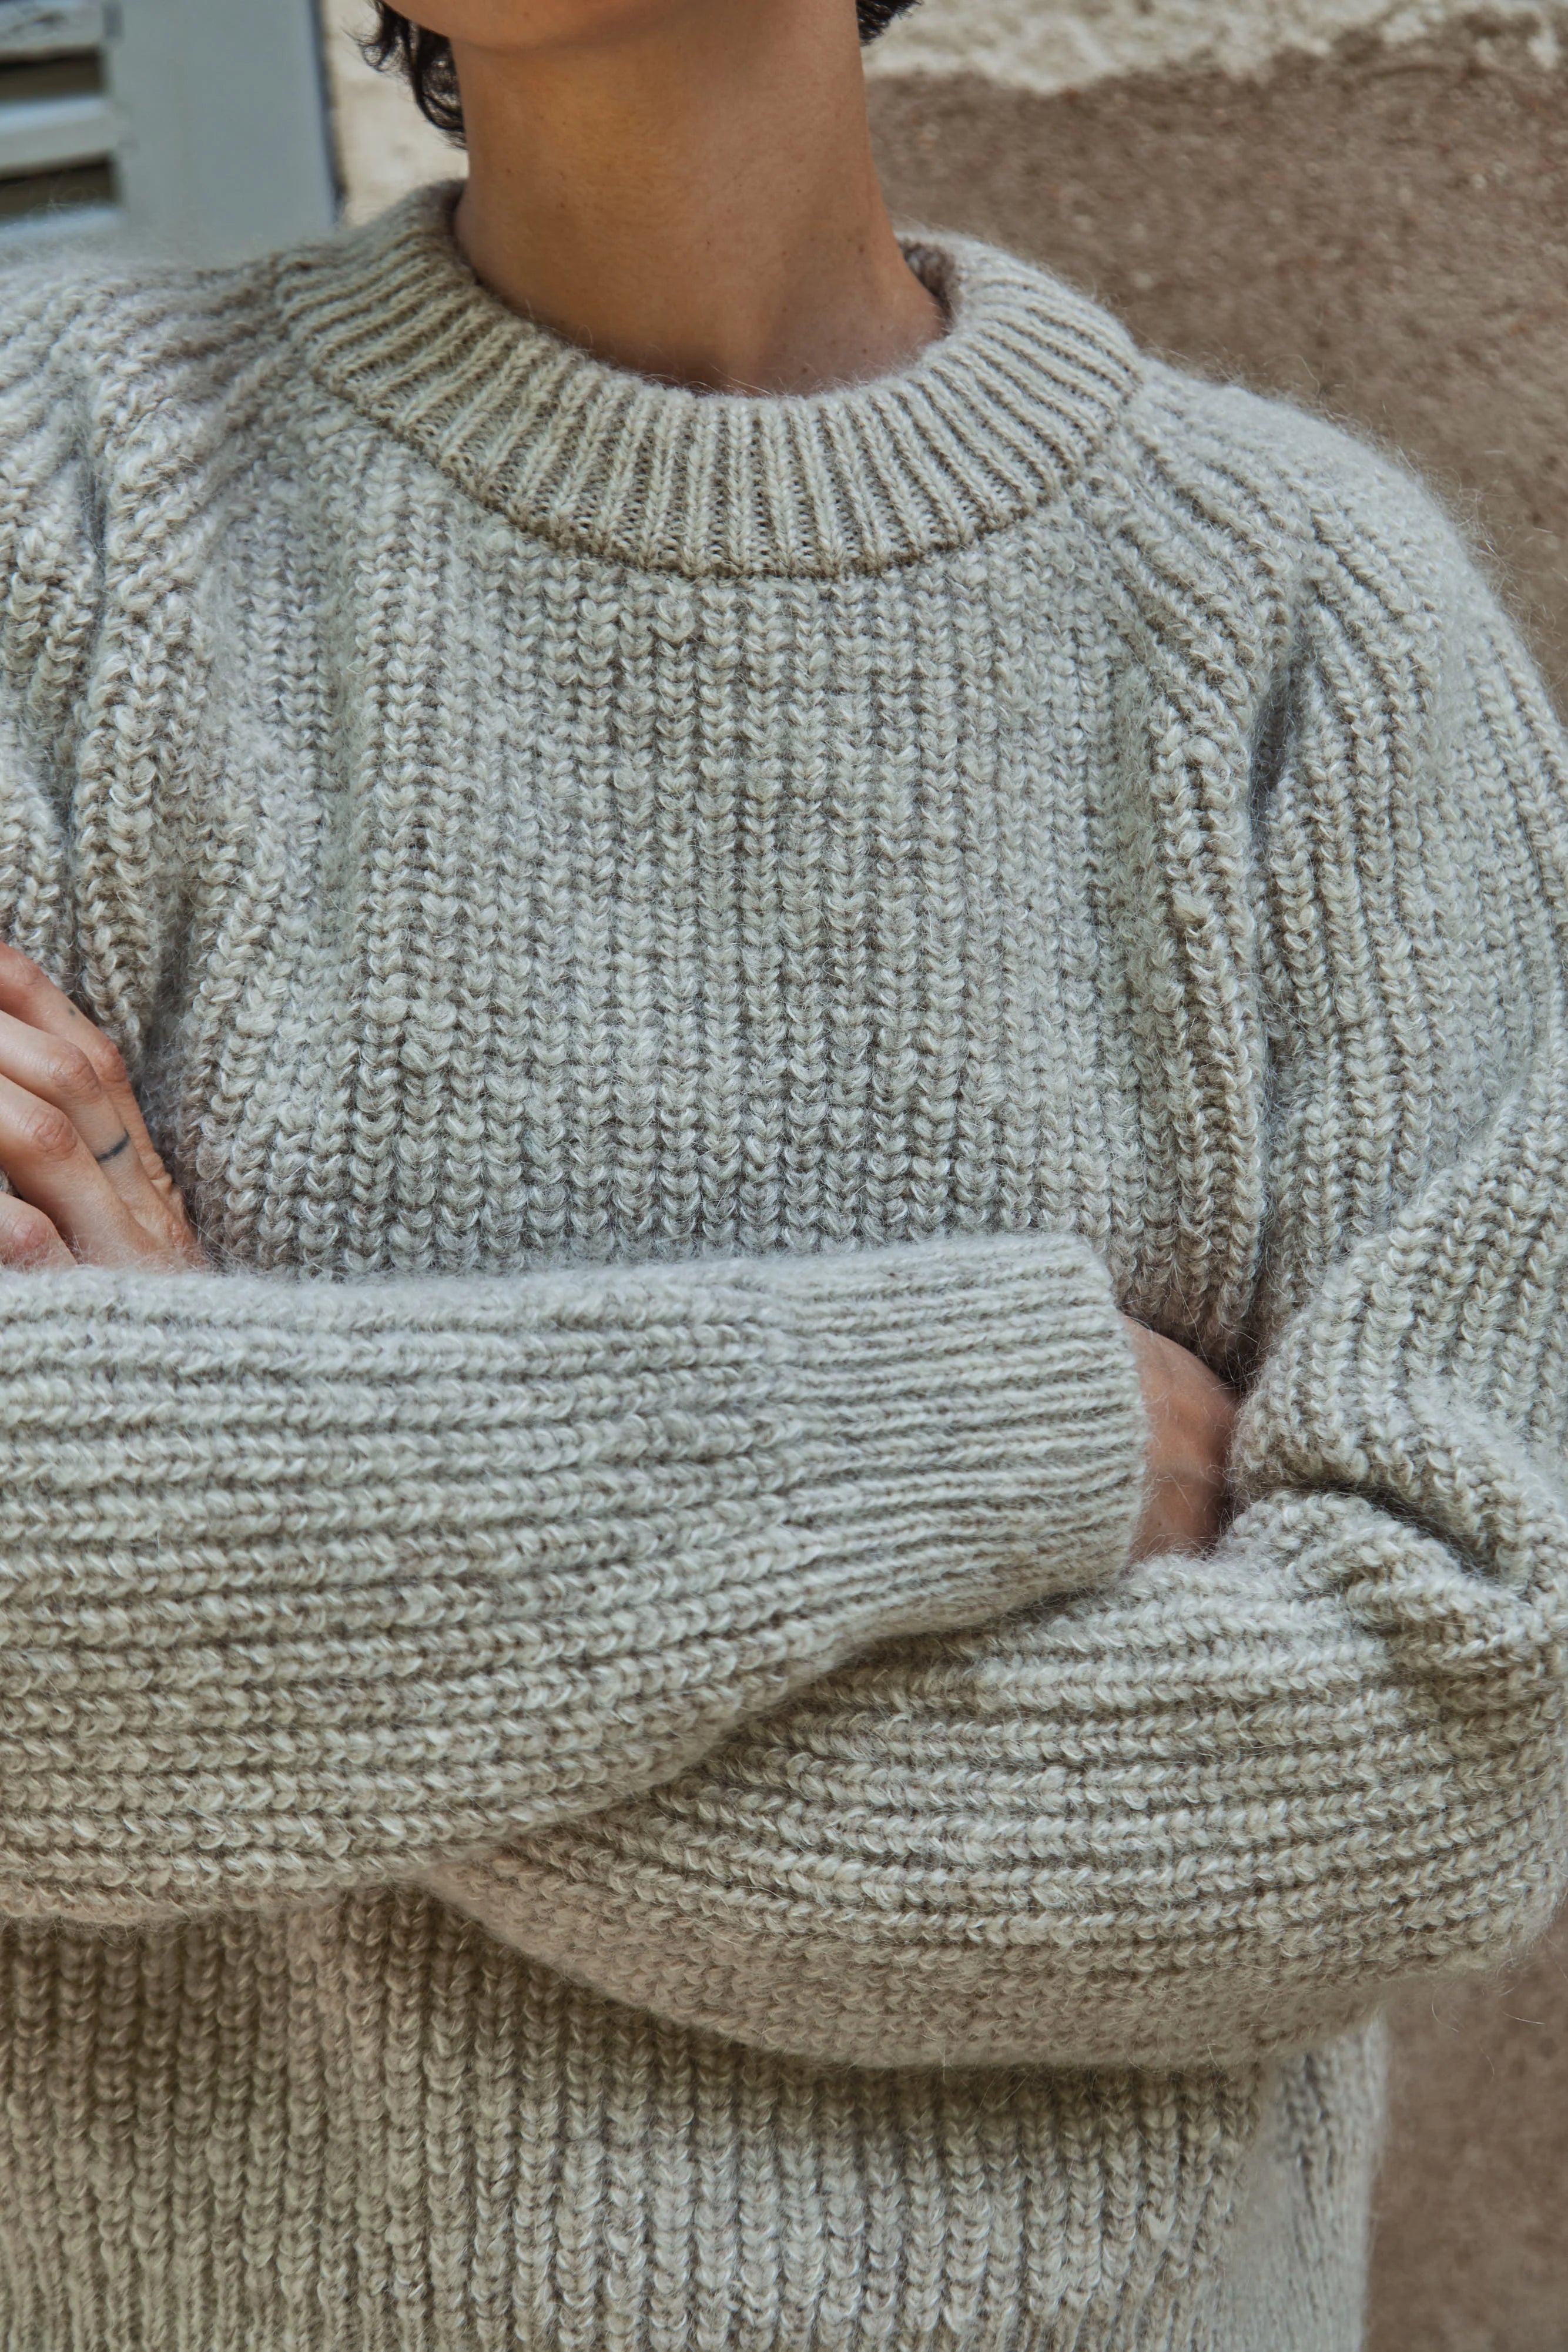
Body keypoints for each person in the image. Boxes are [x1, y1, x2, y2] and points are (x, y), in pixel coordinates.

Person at [0, 0, 1563, 2342]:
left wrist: (251, 1542)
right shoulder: (65, 506)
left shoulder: (1308, 632)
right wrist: (996, 1416)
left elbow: (1440, 1752)